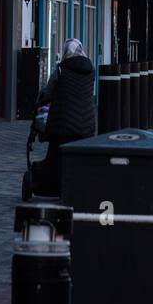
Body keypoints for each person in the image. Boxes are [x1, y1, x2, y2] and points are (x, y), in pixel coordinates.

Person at [34, 38, 96, 196]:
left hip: (62, 125)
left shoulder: (61, 71)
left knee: (56, 153)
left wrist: (41, 102)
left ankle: (50, 185)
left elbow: (47, 93)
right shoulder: (91, 71)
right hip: (86, 126)